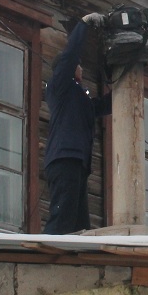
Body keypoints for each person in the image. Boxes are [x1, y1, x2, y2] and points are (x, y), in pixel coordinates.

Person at [43, 13, 110, 234]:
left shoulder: (79, 98)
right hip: (65, 159)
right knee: (62, 218)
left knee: (79, 225)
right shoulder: (59, 86)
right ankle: (47, 254)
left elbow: (101, 106)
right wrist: (82, 25)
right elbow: (71, 55)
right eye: (78, 65)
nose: (81, 68)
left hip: (77, 163)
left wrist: (126, 84)